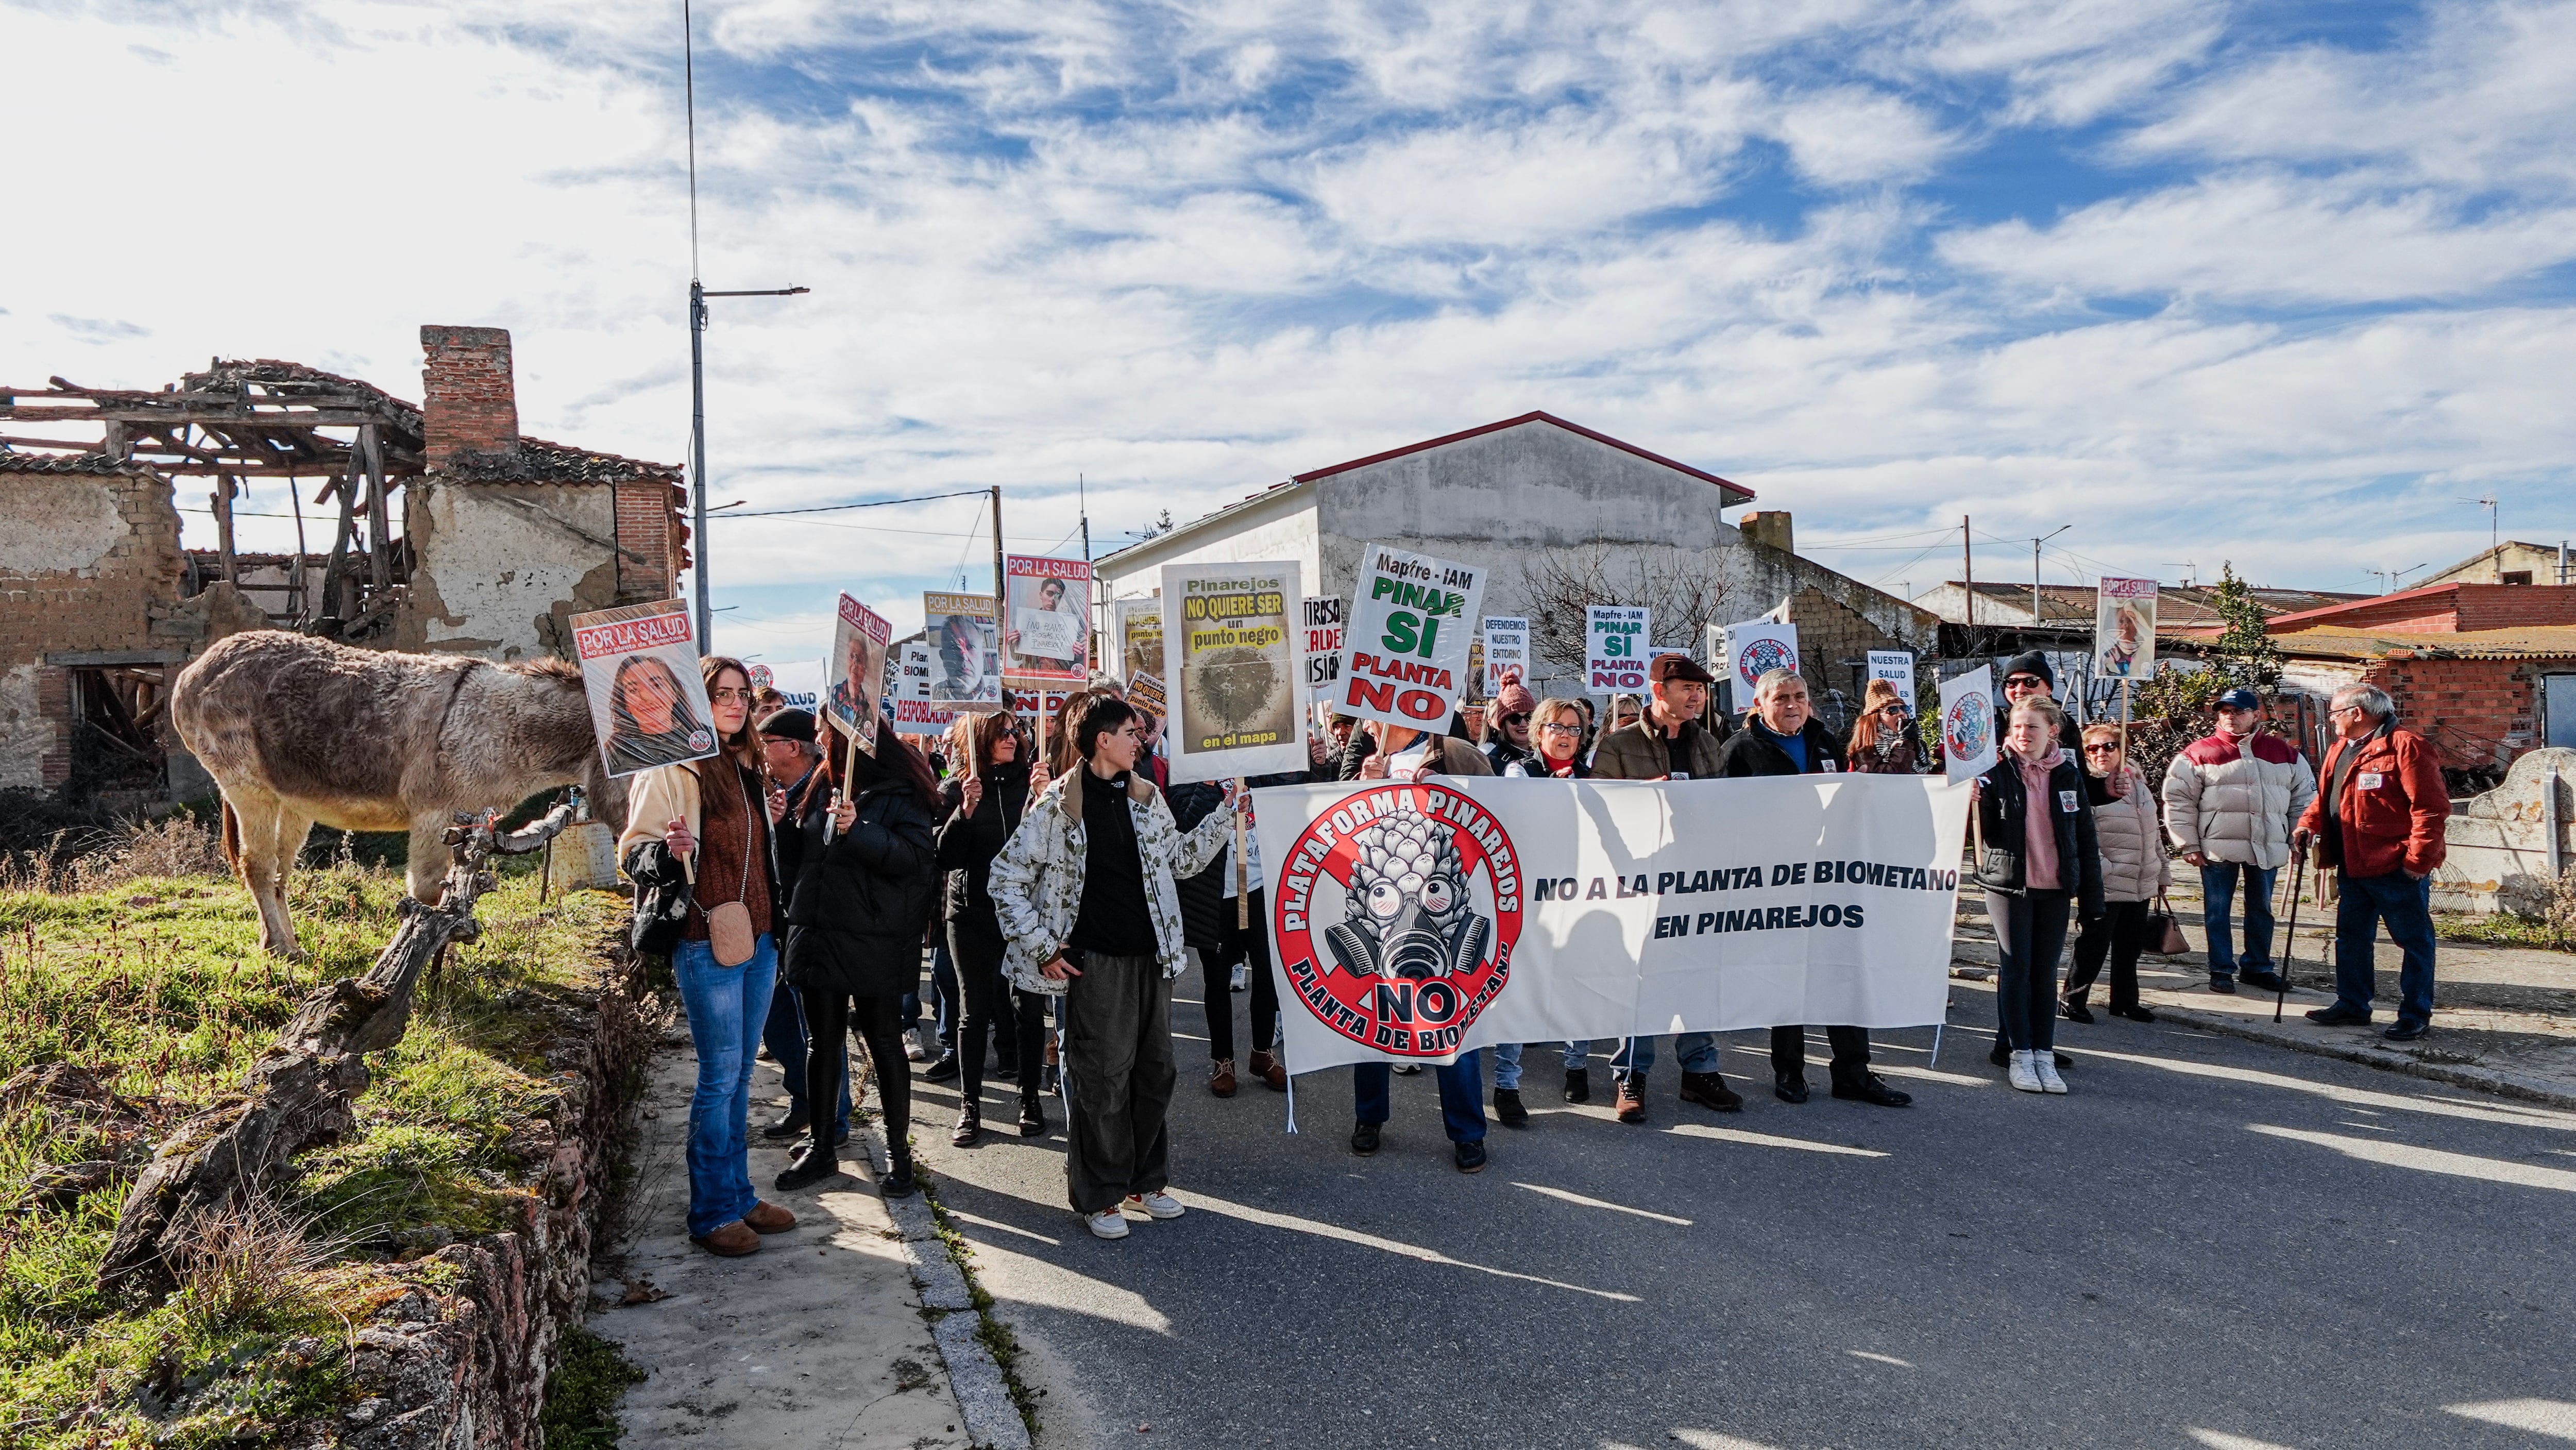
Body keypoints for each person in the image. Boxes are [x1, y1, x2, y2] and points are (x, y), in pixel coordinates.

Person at [989, 695, 1239, 1239]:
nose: (1141, 740)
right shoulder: (1057, 805)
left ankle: (1143, 1182)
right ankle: (1098, 1195)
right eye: (1132, 731)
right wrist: (1043, 948)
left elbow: (1182, 861)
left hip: (1152, 960)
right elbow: (1003, 878)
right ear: (1103, 739)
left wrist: (1227, 814)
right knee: (1102, 1082)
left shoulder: (1146, 797)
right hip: (1093, 966)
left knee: (1155, 1075)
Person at [618, 656, 797, 1256]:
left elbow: (755, 857)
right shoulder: (673, 767)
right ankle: (711, 1212)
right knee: (719, 1079)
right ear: (697, 698)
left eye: (742, 694)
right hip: (704, 939)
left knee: (742, 1076)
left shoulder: (749, 766)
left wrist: (773, 825)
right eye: (721, 693)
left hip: (760, 938)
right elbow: (633, 853)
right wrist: (669, 855)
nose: (735, 703)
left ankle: (739, 1195)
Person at [1714, 669, 1914, 1108]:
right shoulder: (1739, 751)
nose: (1792, 705)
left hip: (1829, 882)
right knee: (1790, 977)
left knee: (1843, 973)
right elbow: (1723, 821)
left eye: (1800, 696)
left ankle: (1853, 1073)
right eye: (1782, 697)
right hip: (1775, 885)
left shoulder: (1824, 742)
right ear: (1760, 704)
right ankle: (1789, 1071)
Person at [770, 717, 942, 1196]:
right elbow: (802, 859)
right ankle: (823, 1147)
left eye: (828, 734)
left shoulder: (901, 790)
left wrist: (860, 830)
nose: (820, 741)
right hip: (820, 932)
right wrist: (783, 823)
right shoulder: (822, 783)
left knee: (884, 1043)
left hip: (875, 938)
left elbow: (915, 859)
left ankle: (899, 1155)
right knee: (821, 1045)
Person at [1347, 708, 1496, 1172]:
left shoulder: (1457, 755)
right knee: (1372, 1021)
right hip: (1381, 915)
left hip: (1445, 912)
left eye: (1372, 720)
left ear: (1403, 716)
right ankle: (1369, 1118)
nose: (1367, 729)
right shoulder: (1367, 766)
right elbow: (1336, 832)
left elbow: (1497, 820)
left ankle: (1468, 1133)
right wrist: (1358, 786)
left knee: (1450, 1026)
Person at [1591, 654, 1734, 1123]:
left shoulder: (1709, 743)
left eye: (1701, 689)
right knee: (1640, 979)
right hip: (1643, 883)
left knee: (1697, 973)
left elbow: (1723, 810)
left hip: (1697, 881)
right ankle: (1631, 1074)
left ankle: (1700, 1071)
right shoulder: (1618, 745)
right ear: (1659, 691)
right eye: (1687, 688)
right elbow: (1599, 813)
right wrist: (1643, 799)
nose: (1697, 696)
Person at [2296, 684, 2450, 1041]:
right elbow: (2328, 799)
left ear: (2357, 713)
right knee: (2350, 938)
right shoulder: (2339, 749)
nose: (2332, 718)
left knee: (2414, 942)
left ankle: (2414, 1014)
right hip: (2352, 863)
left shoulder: (2405, 746)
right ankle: (2352, 1004)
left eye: (2335, 712)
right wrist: (2308, 823)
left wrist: (2418, 861)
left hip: (2396, 866)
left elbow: (2431, 808)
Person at [1972, 695, 2104, 1094]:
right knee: (2016, 970)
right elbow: (1982, 834)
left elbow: (2084, 836)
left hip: (2055, 887)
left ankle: (2044, 1054)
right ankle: (2019, 1055)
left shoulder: (2067, 772)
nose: (2023, 734)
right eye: (2017, 727)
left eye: (2032, 727)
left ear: (2053, 732)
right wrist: (1970, 805)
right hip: (2009, 885)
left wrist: (2092, 899)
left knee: (2045, 975)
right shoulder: (1993, 771)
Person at [934, 710, 1053, 1144]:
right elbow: (943, 858)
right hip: (971, 913)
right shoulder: (958, 787)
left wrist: (1046, 799)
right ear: (981, 738)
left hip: (1023, 914)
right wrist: (963, 812)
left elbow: (1057, 845)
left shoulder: (1036, 781)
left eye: (1015, 731)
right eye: (1001, 732)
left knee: (1027, 1009)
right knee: (974, 1011)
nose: (1012, 737)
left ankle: (1030, 1100)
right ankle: (970, 1107)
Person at [2162, 686, 2316, 995]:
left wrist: (2299, 838)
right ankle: (2220, 969)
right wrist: (2188, 844)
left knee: (2261, 909)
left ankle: (2258, 968)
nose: (2230, 717)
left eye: (2238, 712)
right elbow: (2178, 802)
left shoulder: (2285, 753)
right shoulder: (2197, 753)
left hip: (2267, 844)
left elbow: (2303, 800)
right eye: (2225, 712)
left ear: (2256, 715)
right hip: (2217, 847)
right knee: (2218, 910)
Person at [1494, 696, 1599, 1116]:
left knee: (1578, 985)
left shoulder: (1594, 776)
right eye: (1557, 727)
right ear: (1539, 733)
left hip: (1581, 895)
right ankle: (1506, 1085)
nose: (1566, 736)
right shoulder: (1520, 772)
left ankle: (1577, 1066)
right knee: (1519, 988)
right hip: (1532, 899)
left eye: (1574, 729)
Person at [753, 708, 851, 1145]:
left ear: (792, 747)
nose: (760, 754)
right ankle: (803, 1101)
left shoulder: (830, 791)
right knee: (778, 1024)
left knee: (819, 1032)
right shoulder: (775, 793)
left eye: (765, 744)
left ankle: (836, 1120)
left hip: (813, 928)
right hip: (775, 925)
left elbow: (819, 860)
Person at [2062, 724, 2167, 1023]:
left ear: (2122, 749)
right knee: (2093, 944)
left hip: (2141, 879)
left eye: (2109, 746)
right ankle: (2073, 999)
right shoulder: (2087, 787)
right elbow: (2082, 837)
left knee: (2130, 947)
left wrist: (2162, 872)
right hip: (2106, 882)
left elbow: (2153, 833)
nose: (2101, 753)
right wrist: (2103, 870)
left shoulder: (2137, 783)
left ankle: (2125, 1001)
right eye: (2092, 749)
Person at [604, 653, 716, 777]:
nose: (647, 697)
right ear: (625, 703)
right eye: (633, 690)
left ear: (674, 694)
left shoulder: (705, 737)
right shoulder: (615, 754)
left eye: (657, 686)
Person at [1845, 678, 1926, 775]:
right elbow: (1891, 777)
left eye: (1904, 709)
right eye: (1893, 710)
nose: (1901, 714)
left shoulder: (1915, 742)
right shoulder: (1866, 748)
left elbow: (1924, 770)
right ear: (1876, 718)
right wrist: (1904, 745)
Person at [1484, 679, 1538, 773]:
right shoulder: (1491, 762)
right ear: (1503, 724)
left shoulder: (1548, 755)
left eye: (1529, 717)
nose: (1523, 724)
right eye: (1515, 719)